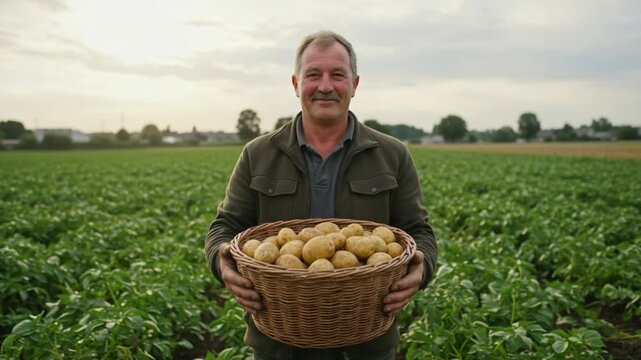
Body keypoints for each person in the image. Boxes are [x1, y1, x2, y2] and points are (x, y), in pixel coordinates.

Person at [205, 30, 438, 360]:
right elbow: (225, 227)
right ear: (296, 84)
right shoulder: (257, 154)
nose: (325, 86)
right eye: (313, 74)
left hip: (368, 345)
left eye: (337, 75)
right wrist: (221, 259)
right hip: (279, 346)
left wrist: (422, 267)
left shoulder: (392, 154)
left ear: (354, 84)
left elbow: (419, 232)